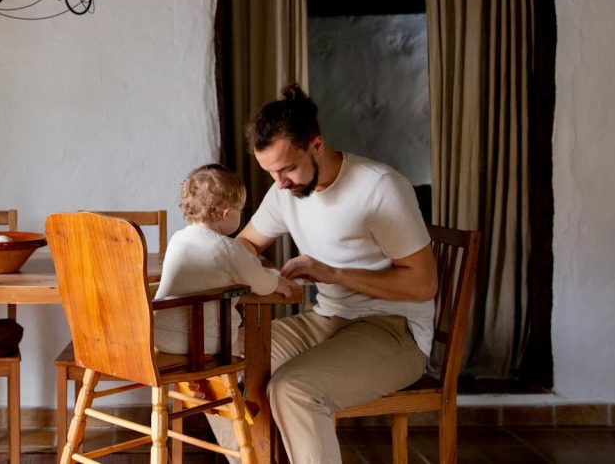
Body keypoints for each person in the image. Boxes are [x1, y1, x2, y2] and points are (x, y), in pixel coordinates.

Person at [225, 83, 438, 464]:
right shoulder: (283, 191)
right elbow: (246, 244)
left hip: (395, 328)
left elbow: (423, 284)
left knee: (293, 389)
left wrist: (334, 274)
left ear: (317, 144)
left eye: (288, 167)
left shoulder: (379, 188)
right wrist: (252, 272)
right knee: (219, 364)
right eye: (271, 172)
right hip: (327, 320)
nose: (280, 183)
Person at [153, 163, 294, 356]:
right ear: (227, 214)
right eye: (241, 210)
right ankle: (236, 379)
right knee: (231, 339)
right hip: (202, 341)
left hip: (160, 334)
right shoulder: (227, 248)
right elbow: (258, 280)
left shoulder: (177, 239)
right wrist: (277, 282)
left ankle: (199, 380)